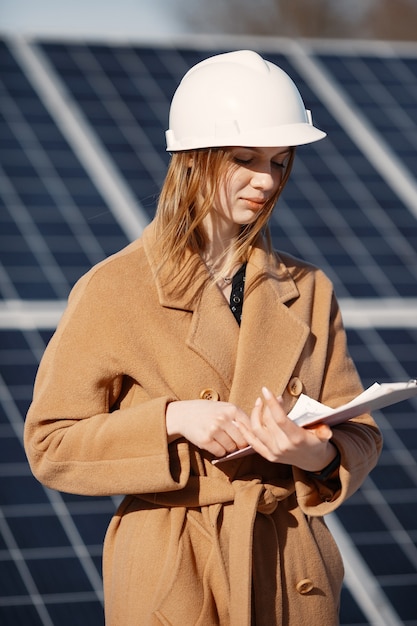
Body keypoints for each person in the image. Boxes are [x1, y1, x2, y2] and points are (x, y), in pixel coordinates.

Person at [24, 50, 382, 626]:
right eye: (245, 159)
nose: (266, 181)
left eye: (281, 162)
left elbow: (359, 430)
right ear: (193, 159)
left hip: (289, 569)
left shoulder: (309, 287)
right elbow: (51, 446)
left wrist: (315, 453)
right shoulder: (113, 288)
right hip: (174, 571)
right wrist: (171, 419)